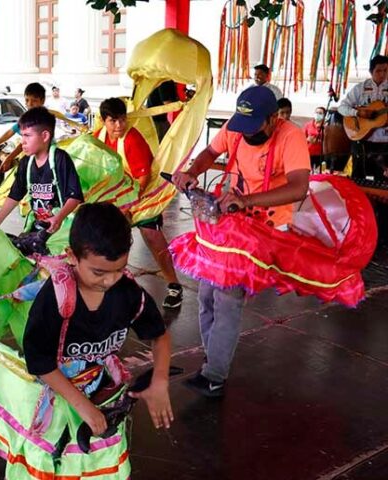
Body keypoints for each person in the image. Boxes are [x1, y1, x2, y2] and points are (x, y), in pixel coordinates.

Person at [172, 86, 310, 397]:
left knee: (226, 298)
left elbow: (299, 188)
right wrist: (191, 172)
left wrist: (246, 201)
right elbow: (210, 153)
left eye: (254, 126)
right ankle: (213, 357)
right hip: (229, 221)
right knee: (206, 293)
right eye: (242, 126)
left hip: (265, 227)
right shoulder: (236, 127)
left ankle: (214, 374)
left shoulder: (291, 136)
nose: (245, 134)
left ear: (274, 118)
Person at [23, 202, 173, 437]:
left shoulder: (128, 293)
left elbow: (159, 336)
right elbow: (39, 361)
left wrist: (160, 380)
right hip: (58, 394)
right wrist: (82, 406)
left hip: (102, 387)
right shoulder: (55, 298)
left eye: (119, 269)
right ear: (73, 256)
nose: (110, 281)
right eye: (98, 272)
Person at [95, 97, 184, 308]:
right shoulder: (97, 137)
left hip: (142, 194)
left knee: (152, 236)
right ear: (103, 121)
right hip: (115, 196)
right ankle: (108, 285)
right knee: (105, 239)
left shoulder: (131, 139)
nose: (119, 126)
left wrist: (127, 206)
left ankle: (174, 286)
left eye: (122, 120)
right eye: (113, 121)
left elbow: (142, 179)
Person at [0, 107, 83, 236]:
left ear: (45, 136)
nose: (22, 141)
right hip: (38, 226)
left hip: (62, 227)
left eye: (27, 135)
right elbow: (14, 196)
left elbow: (75, 196)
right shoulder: (25, 162)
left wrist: (59, 218)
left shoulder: (60, 159)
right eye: (22, 136)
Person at [338, 55, 388, 179]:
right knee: (358, 175)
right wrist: (358, 113)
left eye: (386, 70)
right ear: (371, 72)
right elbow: (342, 107)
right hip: (361, 139)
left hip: (384, 142)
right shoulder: (360, 88)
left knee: (381, 179)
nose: (382, 74)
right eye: (378, 71)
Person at [0, 82, 46, 173]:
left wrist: (9, 158)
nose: (30, 104)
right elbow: (9, 133)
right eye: (27, 100)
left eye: (34, 100)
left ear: (42, 101)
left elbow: (25, 143)